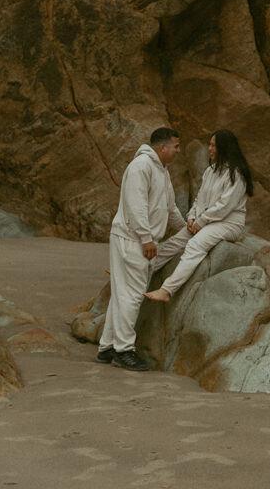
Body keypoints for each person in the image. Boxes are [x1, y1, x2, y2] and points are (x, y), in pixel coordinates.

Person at [96, 127, 184, 371]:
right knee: (132, 296)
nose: (178, 151)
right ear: (162, 147)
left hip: (136, 238)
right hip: (132, 239)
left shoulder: (162, 170)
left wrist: (187, 228)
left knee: (121, 294)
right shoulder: (141, 166)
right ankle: (124, 351)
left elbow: (170, 208)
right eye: (176, 146)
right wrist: (146, 238)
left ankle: (107, 347)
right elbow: (136, 205)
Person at [144, 128, 253, 304]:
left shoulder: (237, 174)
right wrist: (192, 217)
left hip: (229, 224)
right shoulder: (211, 171)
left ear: (224, 147)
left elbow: (225, 206)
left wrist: (201, 221)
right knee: (175, 242)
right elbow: (199, 198)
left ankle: (167, 290)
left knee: (195, 244)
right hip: (207, 221)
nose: (209, 148)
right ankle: (139, 272)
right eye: (210, 145)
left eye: (213, 145)